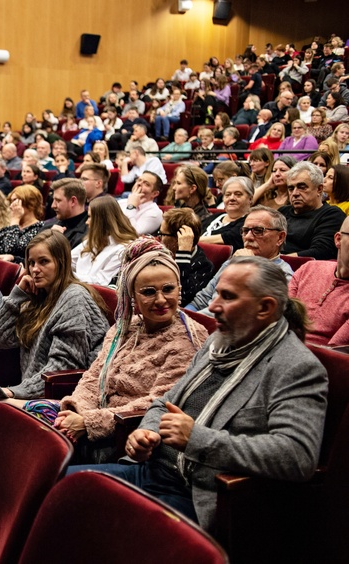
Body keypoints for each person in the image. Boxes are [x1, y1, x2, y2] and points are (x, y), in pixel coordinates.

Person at [70, 256, 328, 533]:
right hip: (152, 473)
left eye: (227, 297)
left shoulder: (296, 367)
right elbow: (164, 402)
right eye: (217, 294)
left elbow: (297, 456)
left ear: (265, 308)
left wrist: (197, 439)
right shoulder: (219, 343)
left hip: (201, 495)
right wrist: (147, 432)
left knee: (88, 520)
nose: (213, 306)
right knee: (55, 483)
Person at [20, 238, 208, 463]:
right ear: (133, 297)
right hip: (89, 420)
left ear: (179, 290)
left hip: (126, 435)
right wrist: (78, 412)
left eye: (168, 289)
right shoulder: (123, 328)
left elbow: (159, 402)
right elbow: (93, 377)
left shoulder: (187, 339)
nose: (160, 300)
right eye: (148, 292)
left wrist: (89, 423)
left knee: (39, 454)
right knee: (24, 424)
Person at [0, 230, 108, 399]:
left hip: (62, 400)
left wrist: (15, 392)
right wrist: (17, 295)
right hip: (33, 393)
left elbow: (61, 371)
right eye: (31, 263)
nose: (35, 269)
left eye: (43, 262)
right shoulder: (37, 297)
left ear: (61, 263)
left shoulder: (74, 298)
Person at [186, 206, 294, 313]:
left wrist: (252, 268)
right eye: (245, 230)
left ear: (280, 238)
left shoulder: (284, 276)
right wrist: (185, 318)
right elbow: (201, 300)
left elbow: (255, 317)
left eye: (258, 231)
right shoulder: (234, 260)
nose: (248, 237)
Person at [289, 215, 349, 345]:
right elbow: (280, 318)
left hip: (317, 362)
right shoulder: (309, 268)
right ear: (338, 239)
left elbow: (333, 352)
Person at [280, 161, 346, 258]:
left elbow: (321, 252)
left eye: (302, 187)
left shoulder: (331, 215)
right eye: (291, 188)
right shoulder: (282, 212)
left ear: (319, 189)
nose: (295, 193)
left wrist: (277, 261)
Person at [72, 195, 138, 285]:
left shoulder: (123, 249)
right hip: (76, 288)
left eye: (90, 217)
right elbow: (68, 259)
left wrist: (69, 277)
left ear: (101, 221)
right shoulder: (94, 240)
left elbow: (101, 281)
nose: (86, 222)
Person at [0, 185, 46, 264]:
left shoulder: (40, 228)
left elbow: (10, 249)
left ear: (31, 204)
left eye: (15, 201)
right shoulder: (8, 227)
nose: (11, 206)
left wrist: (15, 220)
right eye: (11, 201)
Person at [200, 176, 253, 250]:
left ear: (250, 199)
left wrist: (191, 241)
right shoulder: (215, 217)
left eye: (238, 194)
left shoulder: (249, 222)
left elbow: (228, 238)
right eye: (227, 195)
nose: (232, 198)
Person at [45, 178, 89, 247]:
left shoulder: (85, 235)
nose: (53, 206)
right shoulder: (48, 225)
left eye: (58, 200)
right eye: (53, 200)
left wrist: (54, 240)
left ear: (73, 201)